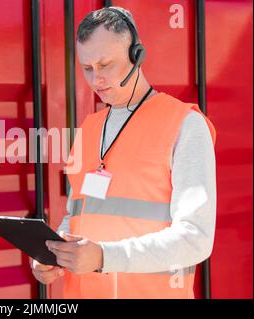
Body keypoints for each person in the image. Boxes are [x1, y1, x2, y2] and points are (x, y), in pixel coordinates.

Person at [30, 6, 217, 299]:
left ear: (136, 56)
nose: (96, 80)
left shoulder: (185, 125)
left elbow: (197, 238)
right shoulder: (89, 128)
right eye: (87, 68)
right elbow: (76, 215)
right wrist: (55, 253)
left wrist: (104, 256)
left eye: (106, 65)